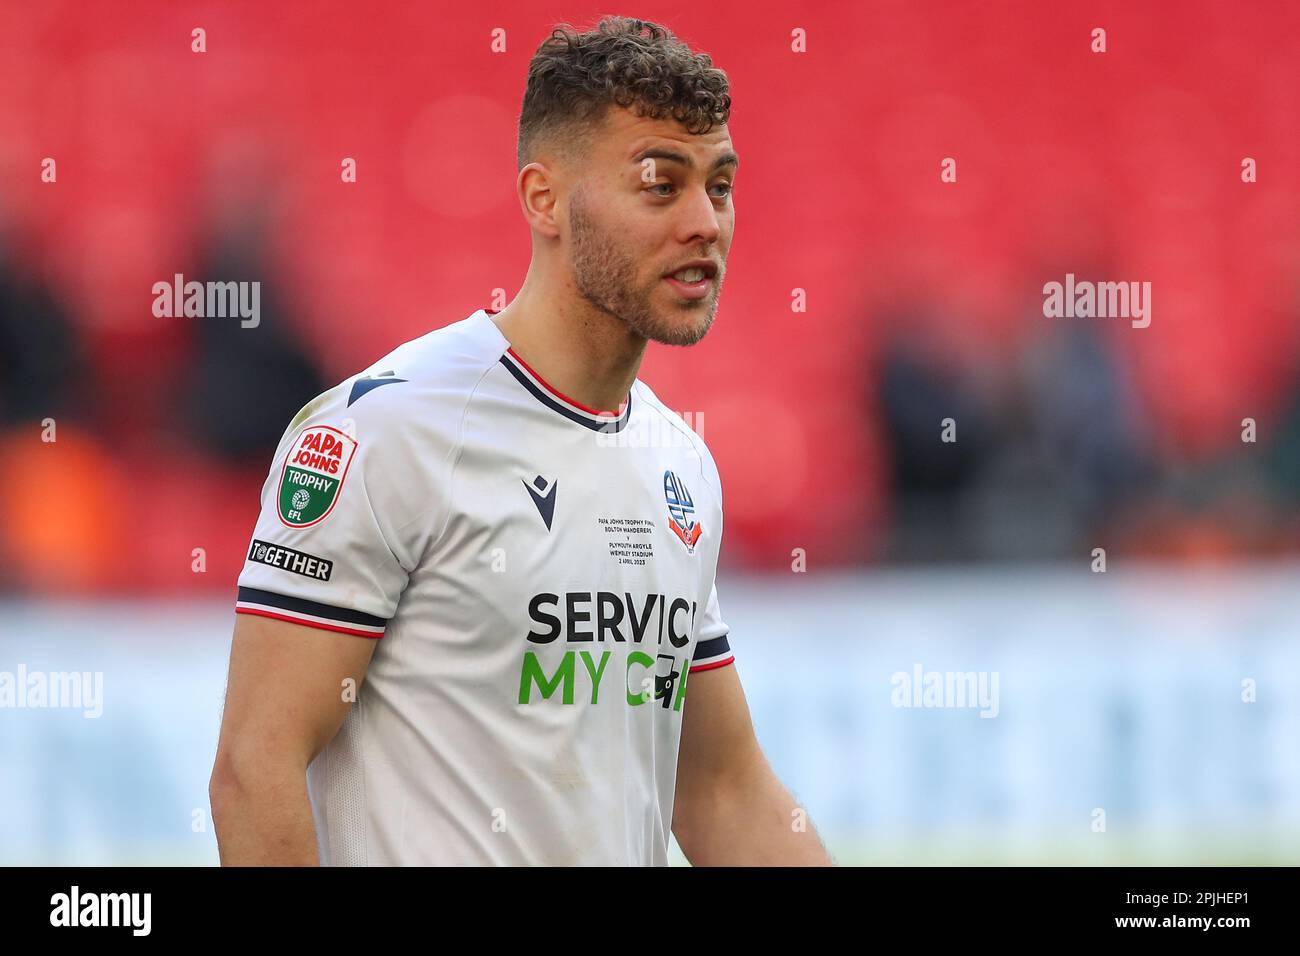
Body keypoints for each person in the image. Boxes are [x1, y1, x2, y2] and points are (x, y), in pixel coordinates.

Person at [210, 15, 830, 866]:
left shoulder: (678, 466)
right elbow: (255, 766)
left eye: (719, 186)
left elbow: (720, 790)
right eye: (661, 184)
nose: (705, 223)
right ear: (544, 199)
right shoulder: (383, 433)